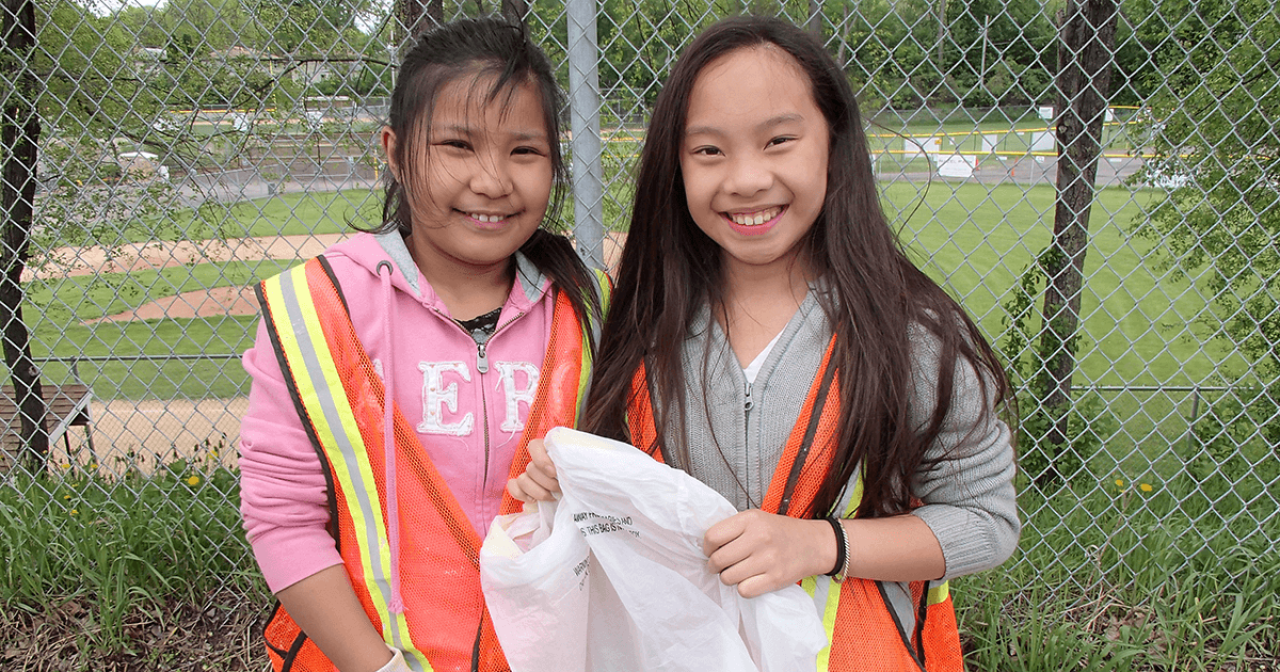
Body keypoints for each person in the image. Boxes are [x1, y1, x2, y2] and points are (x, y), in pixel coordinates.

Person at [510, 15, 1018, 672]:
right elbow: (624, 498)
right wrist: (569, 476)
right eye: (709, 151)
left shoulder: (911, 333)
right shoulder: (632, 322)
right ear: (675, 167)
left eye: (778, 140)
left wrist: (822, 545)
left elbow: (987, 522)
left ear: (833, 142)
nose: (746, 179)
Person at [240, 16, 608, 672]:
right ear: (394, 150)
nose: (493, 180)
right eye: (458, 146)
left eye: (524, 151)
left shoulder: (592, 304)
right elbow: (282, 521)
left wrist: (591, 477)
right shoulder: (318, 311)